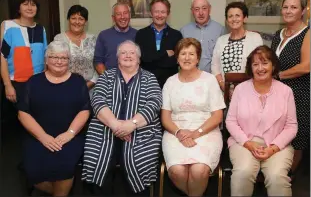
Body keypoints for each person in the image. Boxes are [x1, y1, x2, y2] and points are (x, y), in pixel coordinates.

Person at [82, 40, 162, 196]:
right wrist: (115, 125)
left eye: (132, 53)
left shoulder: (149, 78)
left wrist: (131, 125)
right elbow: (97, 100)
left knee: (137, 162)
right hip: (105, 129)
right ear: (117, 58)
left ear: (139, 58)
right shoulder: (106, 76)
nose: (128, 56)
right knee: (98, 160)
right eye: (123, 53)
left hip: (142, 131)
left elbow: (154, 103)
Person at [18, 41, 90, 196]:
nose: (59, 61)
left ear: (69, 61)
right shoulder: (33, 82)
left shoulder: (78, 81)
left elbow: (84, 110)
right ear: (46, 59)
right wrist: (43, 137)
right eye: (54, 57)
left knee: (65, 164)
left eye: (63, 58)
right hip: (37, 136)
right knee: (33, 166)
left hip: (70, 136)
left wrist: (69, 133)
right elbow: (23, 112)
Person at [226, 45, 298, 196]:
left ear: (273, 66)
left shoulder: (286, 91)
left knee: (277, 177)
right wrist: (248, 143)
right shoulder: (240, 90)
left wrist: (273, 148)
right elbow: (231, 121)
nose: (260, 68)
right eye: (255, 64)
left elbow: (291, 126)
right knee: (243, 173)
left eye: (265, 63)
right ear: (250, 68)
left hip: (277, 145)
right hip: (244, 143)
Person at [161, 38, 225, 196]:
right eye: (183, 53)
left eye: (191, 54)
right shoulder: (170, 82)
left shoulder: (209, 80)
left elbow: (218, 116)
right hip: (176, 132)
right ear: (177, 58)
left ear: (198, 58)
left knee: (198, 171)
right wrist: (180, 133)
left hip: (206, 130)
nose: (187, 57)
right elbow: (165, 118)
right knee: (177, 172)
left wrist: (196, 133)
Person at [271, 0, 310, 174]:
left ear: (303, 10)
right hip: (276, 96)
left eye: (293, 7)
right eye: (285, 7)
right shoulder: (279, 33)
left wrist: (278, 76)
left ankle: (287, 179)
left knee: (296, 140)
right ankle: (274, 174)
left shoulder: (307, 34)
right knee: (277, 135)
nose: (288, 11)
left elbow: (306, 66)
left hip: (299, 95)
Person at [1, 0, 47, 109]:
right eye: (25, 4)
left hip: (38, 82)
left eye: (33, 4)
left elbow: (46, 56)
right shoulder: (8, 26)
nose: (30, 7)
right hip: (16, 82)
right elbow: (2, 57)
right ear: (18, 8)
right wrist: (8, 85)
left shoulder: (41, 29)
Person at [211, 1, 263, 91]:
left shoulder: (255, 38)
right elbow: (215, 66)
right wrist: (222, 85)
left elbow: (259, 65)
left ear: (245, 18)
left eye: (237, 15)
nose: (234, 19)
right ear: (227, 20)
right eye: (230, 16)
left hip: (249, 91)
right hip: (225, 92)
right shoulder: (221, 40)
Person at [135, 0, 183, 88]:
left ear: (168, 14)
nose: (159, 15)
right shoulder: (141, 34)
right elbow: (143, 59)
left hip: (170, 85)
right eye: (156, 11)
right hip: (145, 85)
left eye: (163, 12)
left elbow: (175, 62)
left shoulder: (176, 35)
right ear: (151, 13)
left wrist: (152, 58)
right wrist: (165, 53)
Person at [54, 5, 98, 97]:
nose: (77, 22)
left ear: (85, 22)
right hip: (66, 88)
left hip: (92, 88)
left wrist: (90, 83)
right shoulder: (59, 39)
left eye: (81, 19)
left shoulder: (93, 39)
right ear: (68, 20)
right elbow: (55, 64)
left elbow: (98, 63)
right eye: (73, 18)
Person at [180, 0, 225, 73]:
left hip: (213, 79)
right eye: (197, 9)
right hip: (189, 78)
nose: (201, 13)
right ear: (192, 11)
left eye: (204, 8)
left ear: (210, 9)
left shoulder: (221, 30)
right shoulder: (183, 31)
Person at [94, 3, 137, 75]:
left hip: (134, 81)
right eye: (118, 14)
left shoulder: (138, 35)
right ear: (113, 18)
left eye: (125, 13)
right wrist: (108, 79)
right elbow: (98, 61)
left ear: (130, 15)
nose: (122, 17)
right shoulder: (103, 35)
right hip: (110, 82)